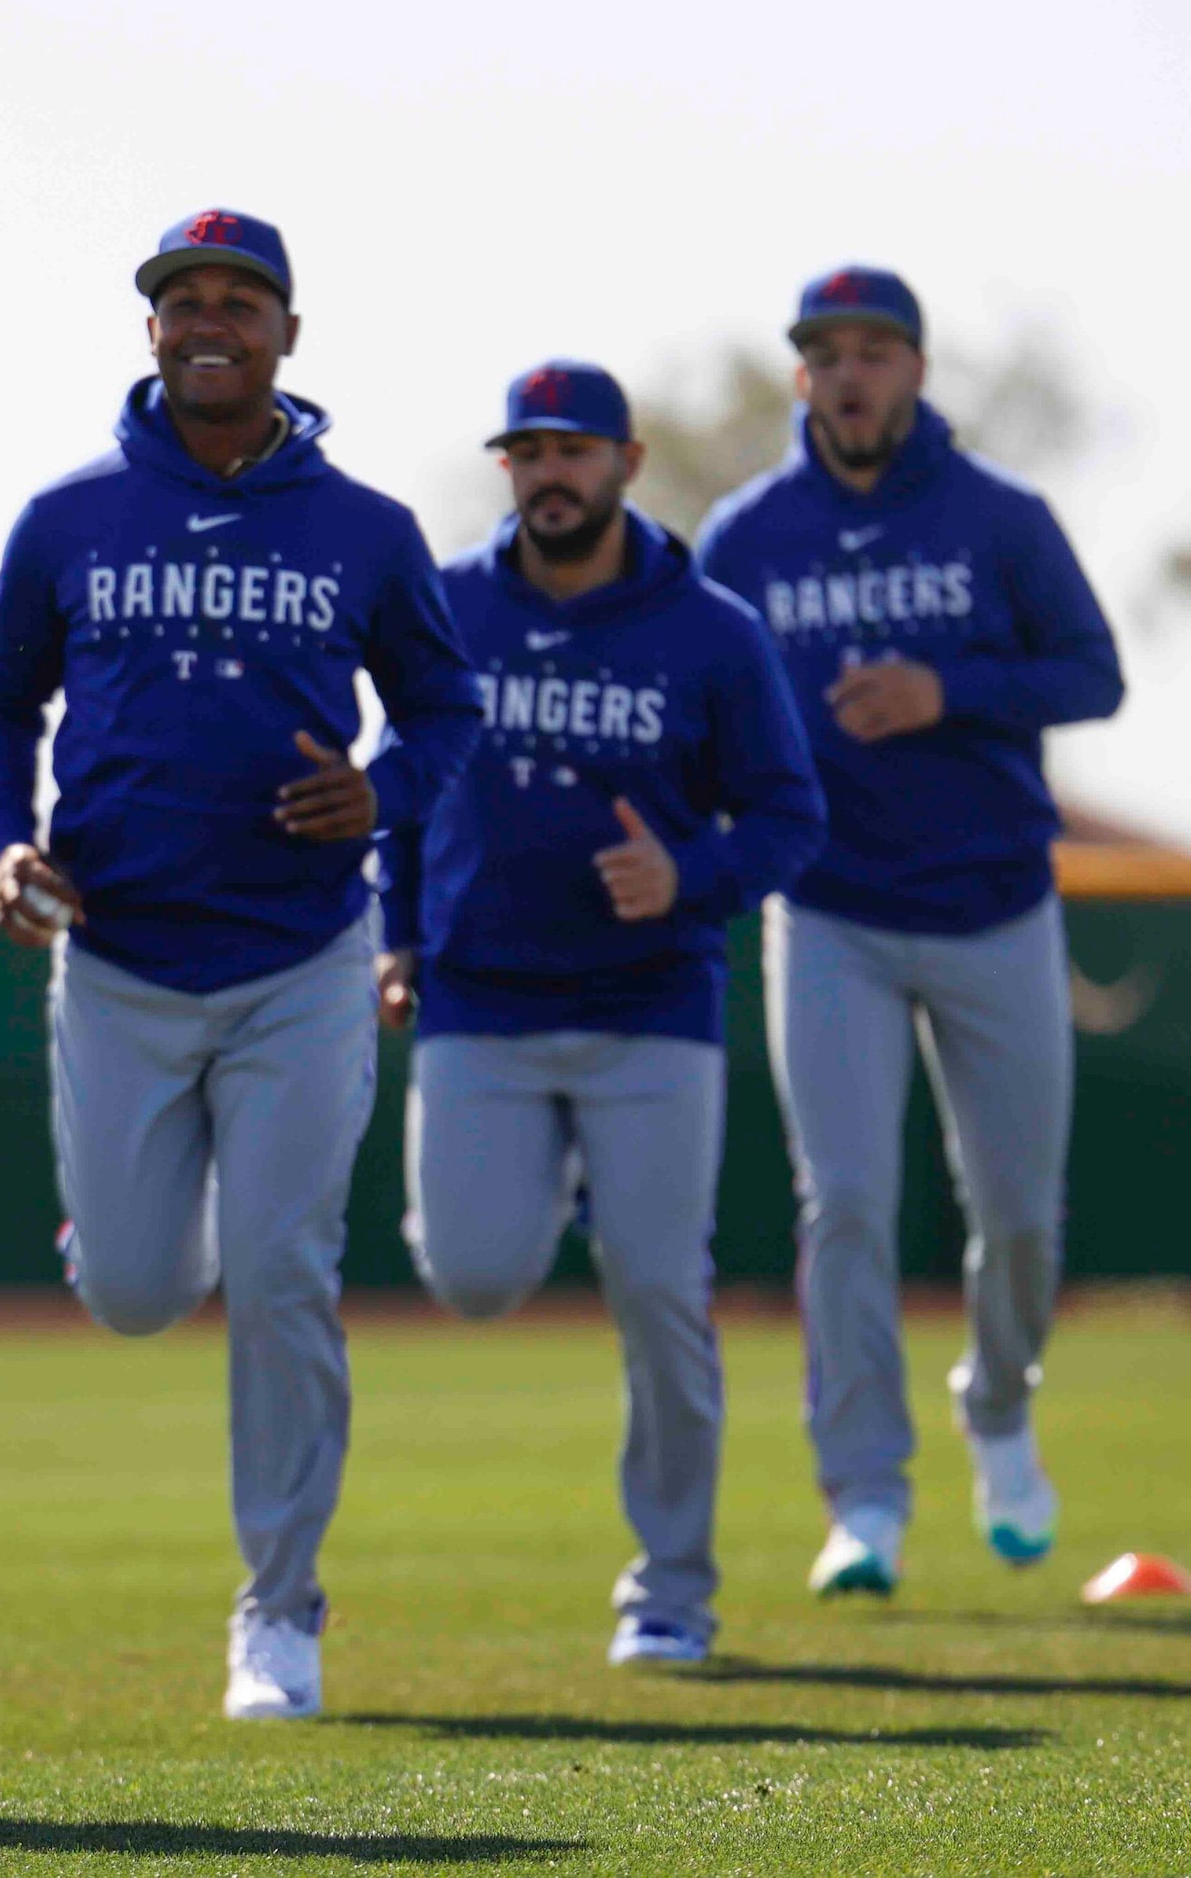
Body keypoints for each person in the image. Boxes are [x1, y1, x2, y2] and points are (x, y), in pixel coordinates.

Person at [0, 209, 480, 1721]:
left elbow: (446, 713)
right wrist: (2, 837)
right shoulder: (69, 519)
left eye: (239, 301)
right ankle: (130, 1235)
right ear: (150, 333)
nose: (209, 321)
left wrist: (386, 790)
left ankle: (282, 1605)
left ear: (287, 336)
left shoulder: (367, 529)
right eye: (181, 299)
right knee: (134, 1291)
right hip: (117, 957)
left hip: (300, 960)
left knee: (285, 1271)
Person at [377, 361, 823, 1666]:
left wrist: (692, 873)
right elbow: (403, 784)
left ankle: (672, 1586)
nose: (550, 472)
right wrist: (397, 935)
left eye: (575, 450)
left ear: (627, 461)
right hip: (482, 1004)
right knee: (470, 1271)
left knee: (659, 1291)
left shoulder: (711, 629)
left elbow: (792, 818)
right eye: (527, 451)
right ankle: (569, 1190)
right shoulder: (447, 605)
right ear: (505, 467)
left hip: (649, 1009)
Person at [694, 267, 1125, 1596]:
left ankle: (997, 1402)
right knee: (848, 1206)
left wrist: (950, 687)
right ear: (801, 380)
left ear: (918, 373)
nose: (851, 374)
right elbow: (697, 703)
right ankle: (865, 1495)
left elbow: (1093, 673)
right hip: (828, 911)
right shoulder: (747, 536)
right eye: (827, 354)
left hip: (996, 902)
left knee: (1020, 1215)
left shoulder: (1000, 518)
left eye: (876, 350)